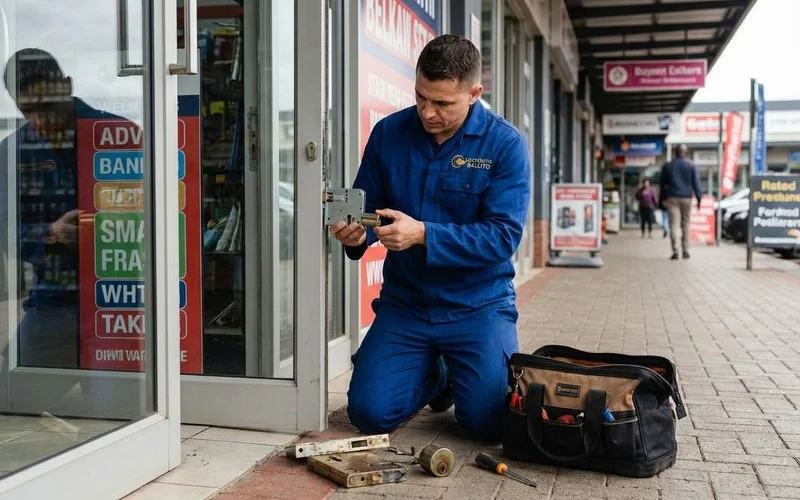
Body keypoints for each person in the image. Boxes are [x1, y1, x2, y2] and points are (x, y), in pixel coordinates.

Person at [329, 35, 530, 442]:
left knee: (489, 423)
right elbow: (369, 209)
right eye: (421, 97)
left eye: (442, 103)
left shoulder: (505, 145)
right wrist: (354, 235)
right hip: (408, 304)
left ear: (475, 93)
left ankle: (462, 373)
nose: (427, 111)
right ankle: (437, 376)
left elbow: (502, 237)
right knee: (369, 414)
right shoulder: (389, 133)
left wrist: (424, 234)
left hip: (479, 305)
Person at [659, 144, 702, 260]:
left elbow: (662, 184)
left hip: (672, 197)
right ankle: (686, 250)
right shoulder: (691, 165)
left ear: (675, 152)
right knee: (686, 224)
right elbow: (696, 183)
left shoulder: (668, 166)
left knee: (673, 224)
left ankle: (675, 251)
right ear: (686, 152)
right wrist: (699, 199)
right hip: (686, 198)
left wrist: (662, 199)